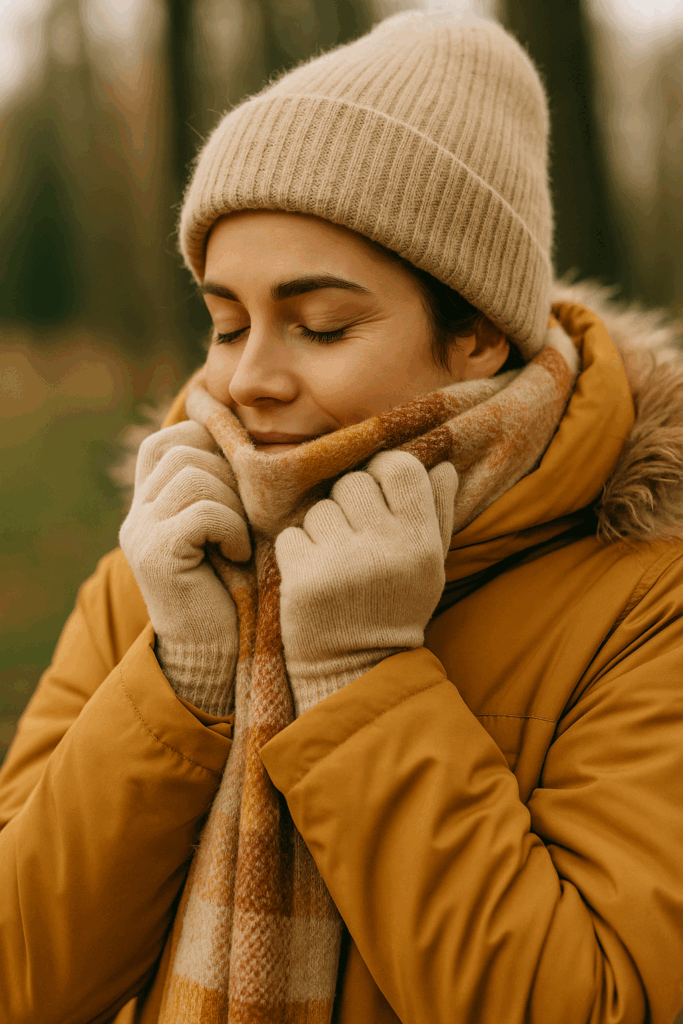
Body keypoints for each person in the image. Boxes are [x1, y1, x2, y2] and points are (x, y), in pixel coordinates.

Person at [1, 10, 683, 1024]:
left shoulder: (644, 600)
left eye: (319, 325)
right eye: (225, 321)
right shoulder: (168, 563)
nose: (246, 379)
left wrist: (366, 676)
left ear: (477, 336)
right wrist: (180, 681)